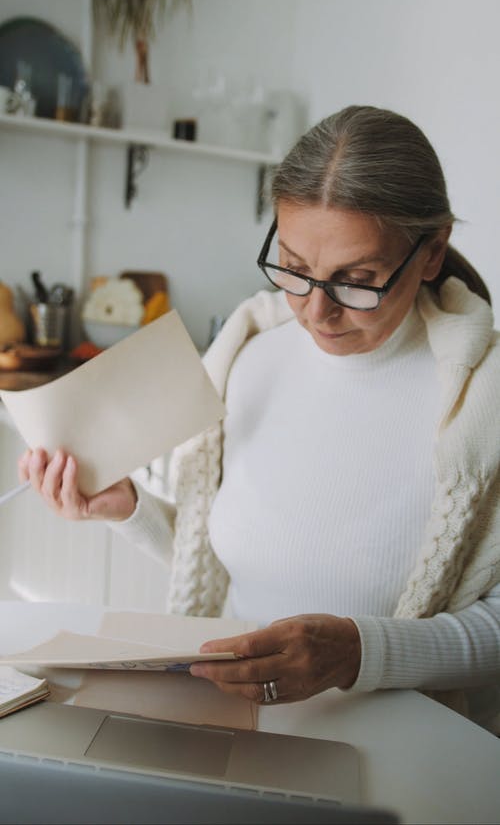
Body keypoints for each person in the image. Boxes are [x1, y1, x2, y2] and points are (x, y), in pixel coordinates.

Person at [19, 105, 500, 731]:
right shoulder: (246, 354)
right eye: (295, 270)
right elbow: (231, 568)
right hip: (229, 729)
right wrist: (132, 510)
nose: (314, 312)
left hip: (397, 748)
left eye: (357, 281)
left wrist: (358, 653)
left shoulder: (483, 400)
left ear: (431, 253)